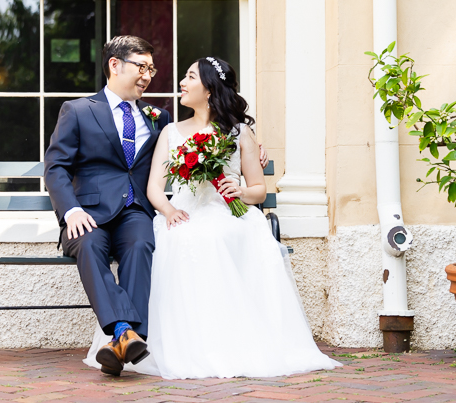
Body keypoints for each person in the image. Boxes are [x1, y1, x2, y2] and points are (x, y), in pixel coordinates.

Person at [85, 57, 340, 379]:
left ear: (208, 89)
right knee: (172, 237)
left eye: (190, 77)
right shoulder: (169, 132)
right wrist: (168, 211)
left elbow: (259, 190)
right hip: (183, 211)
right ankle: (147, 341)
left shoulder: (239, 132)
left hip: (228, 212)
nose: (182, 82)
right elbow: (154, 188)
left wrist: (240, 191)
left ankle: (223, 342)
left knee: (215, 236)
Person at [46, 36, 268, 377]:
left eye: (151, 68)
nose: (148, 75)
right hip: (88, 214)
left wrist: (251, 148)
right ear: (115, 65)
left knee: (141, 244)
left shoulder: (159, 118)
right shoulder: (78, 110)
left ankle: (123, 339)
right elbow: (56, 167)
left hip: (136, 212)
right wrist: (71, 210)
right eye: (141, 66)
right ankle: (125, 333)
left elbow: (203, 137)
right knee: (89, 245)